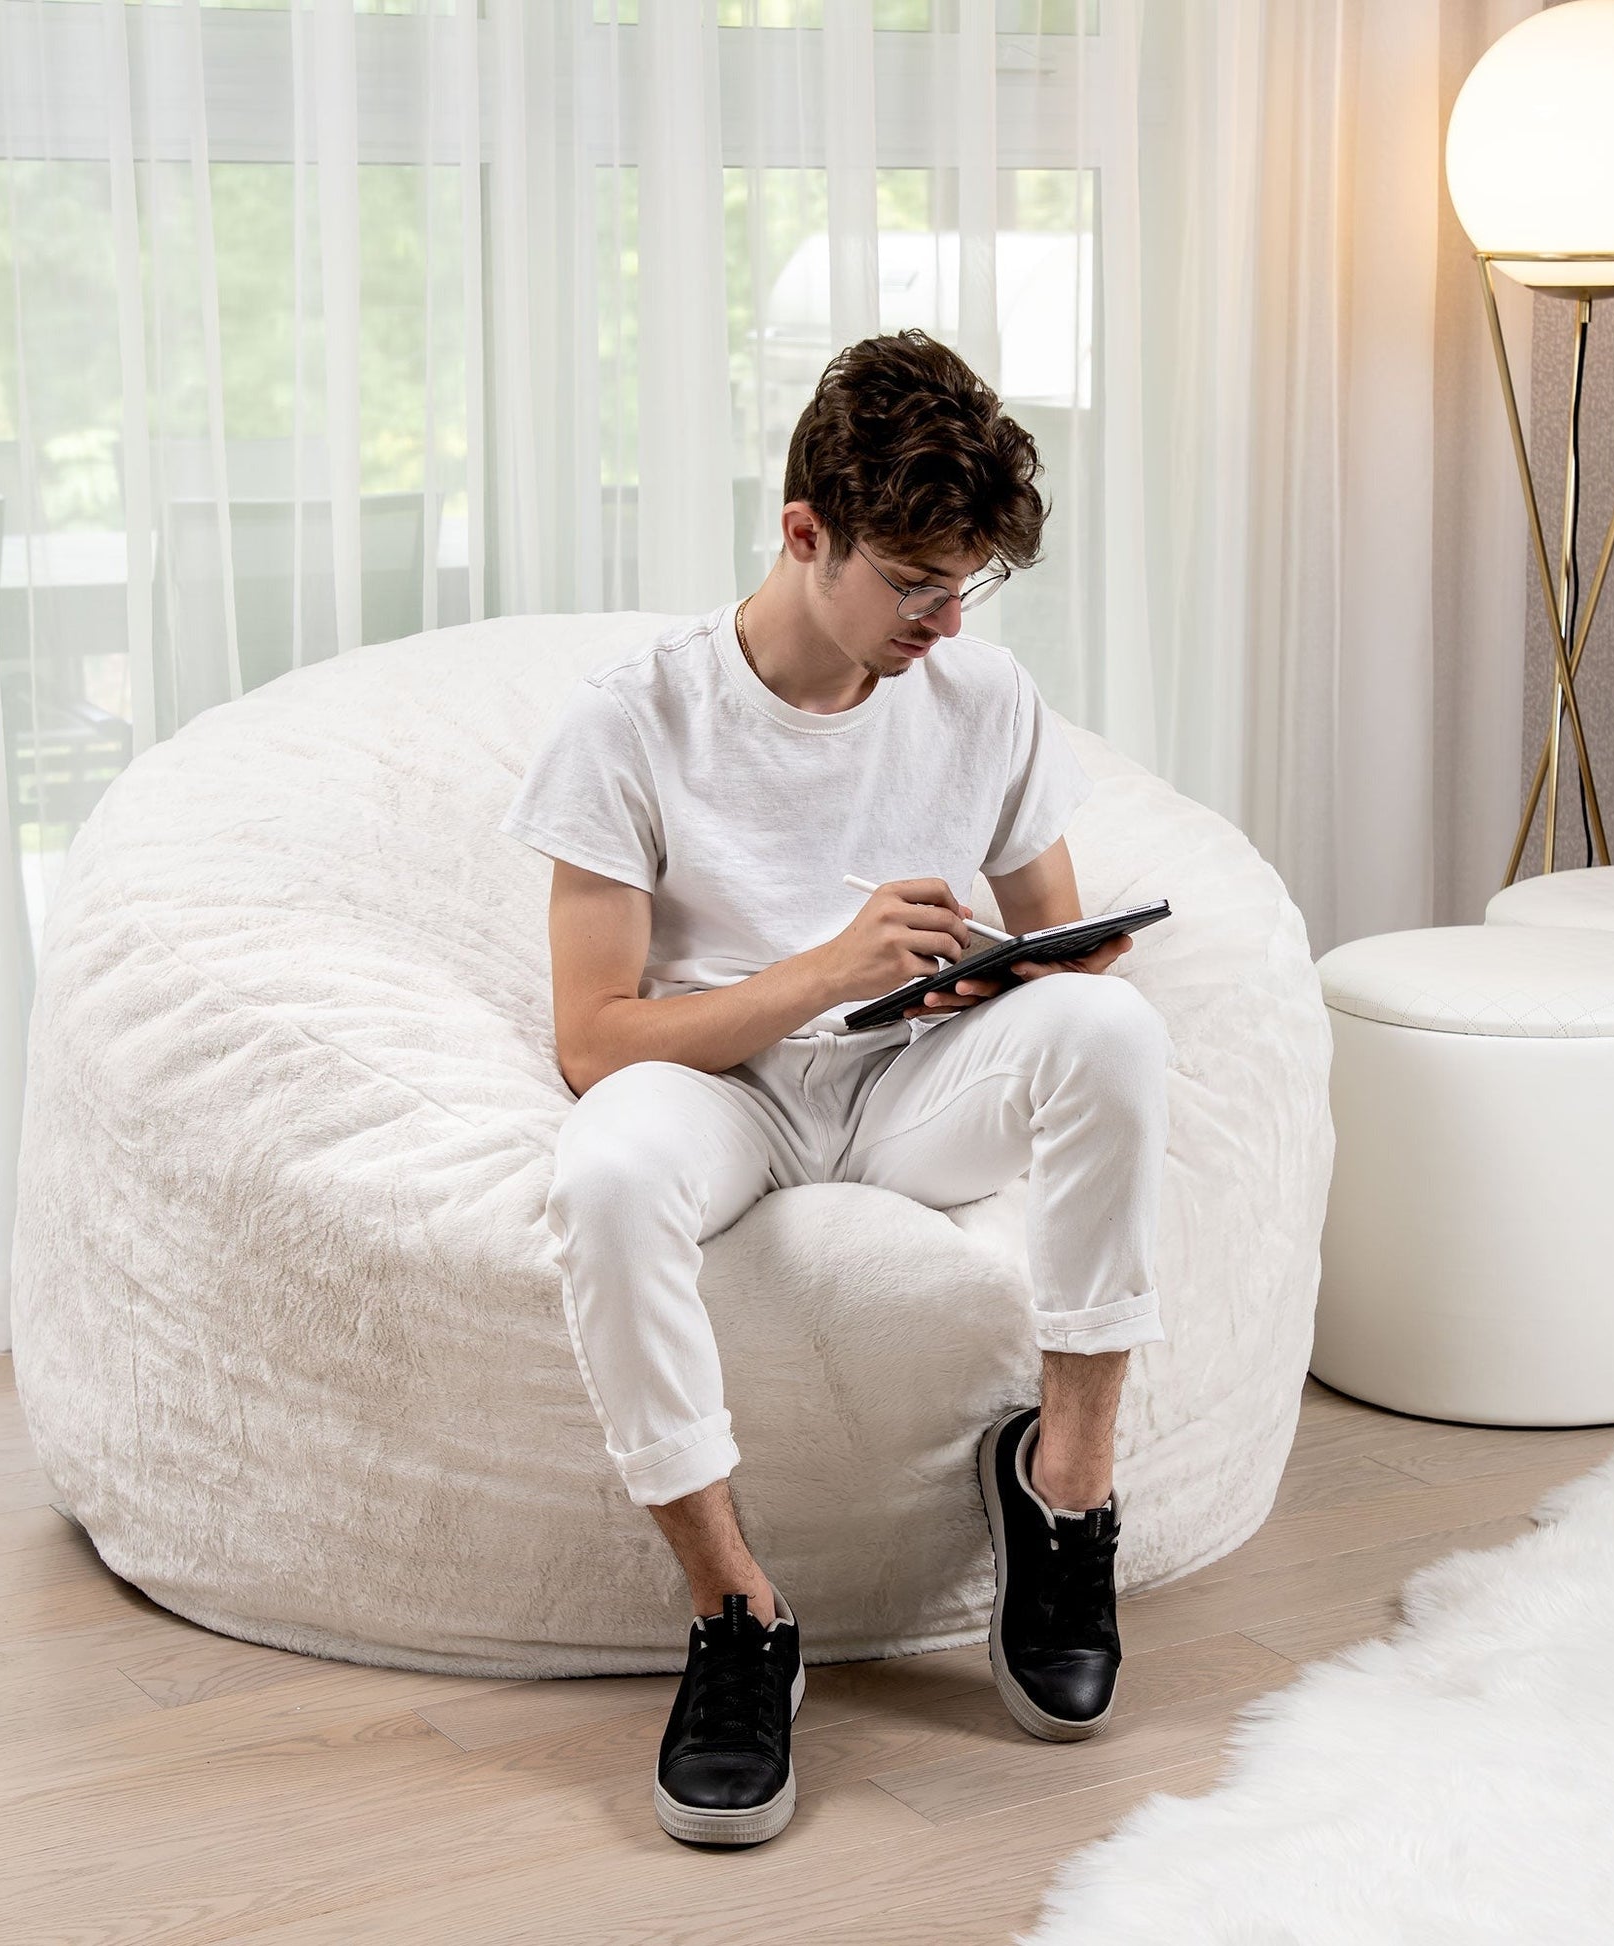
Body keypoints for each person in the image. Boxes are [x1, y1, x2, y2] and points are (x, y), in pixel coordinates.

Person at [500, 328, 1173, 1849]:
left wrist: (1023, 972)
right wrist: (826, 966)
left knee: (1117, 1040)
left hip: (911, 1081)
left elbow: (1067, 963)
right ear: (805, 531)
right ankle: (735, 1610)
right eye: (914, 582)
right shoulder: (632, 721)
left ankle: (1063, 1490)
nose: (943, 618)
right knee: (601, 1176)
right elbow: (592, 1040)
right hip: (718, 1080)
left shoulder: (983, 697)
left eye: (966, 583)